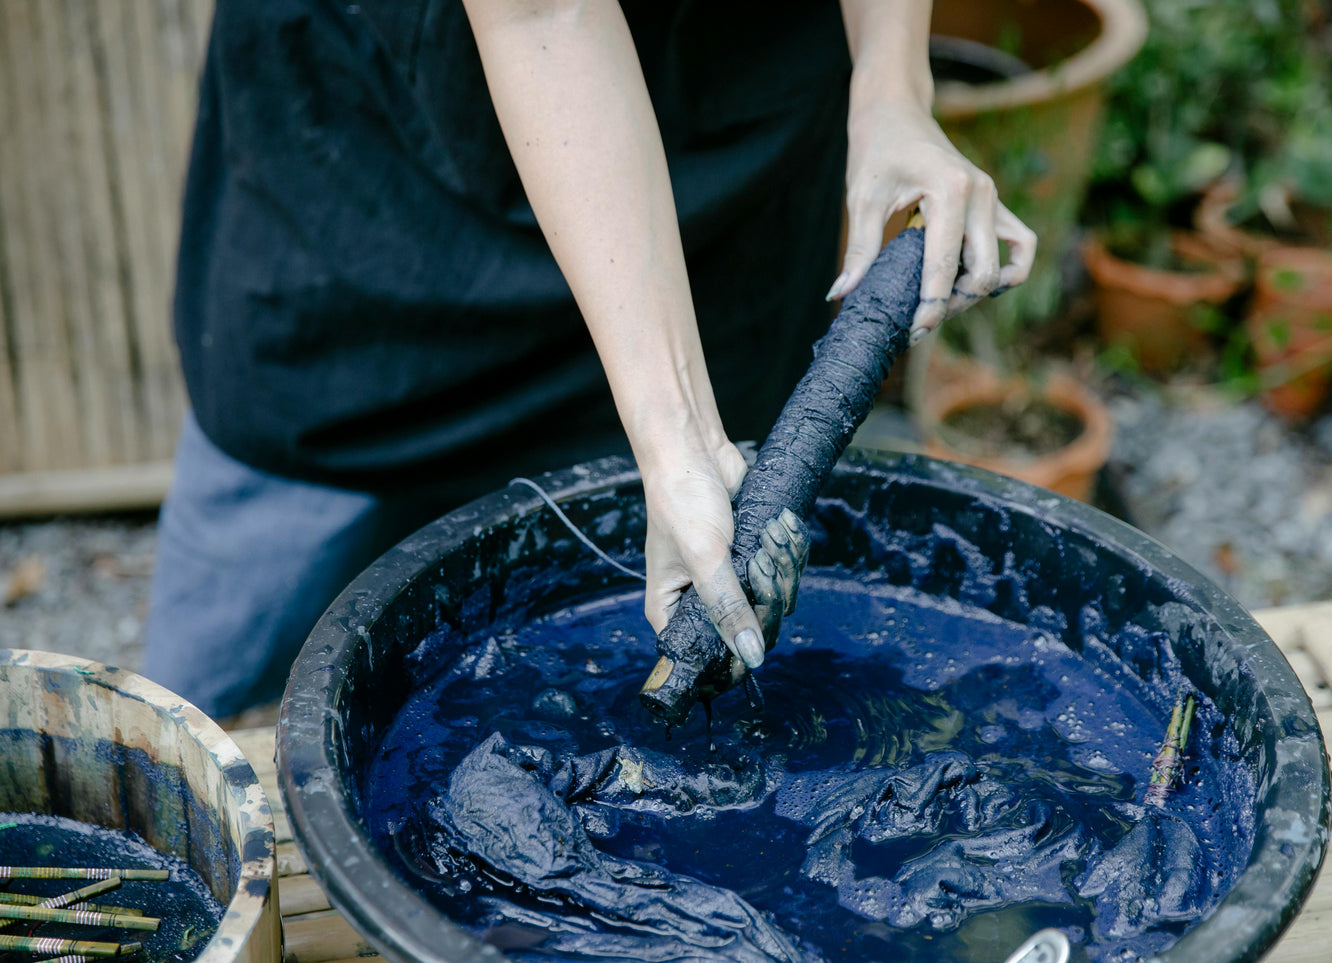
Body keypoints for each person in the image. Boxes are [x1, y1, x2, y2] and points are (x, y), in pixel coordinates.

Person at [142, 0, 1036, 721]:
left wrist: (891, 88)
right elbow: (542, 13)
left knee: (665, 594)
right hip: (376, 182)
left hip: (724, 153)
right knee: (195, 712)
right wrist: (673, 426)